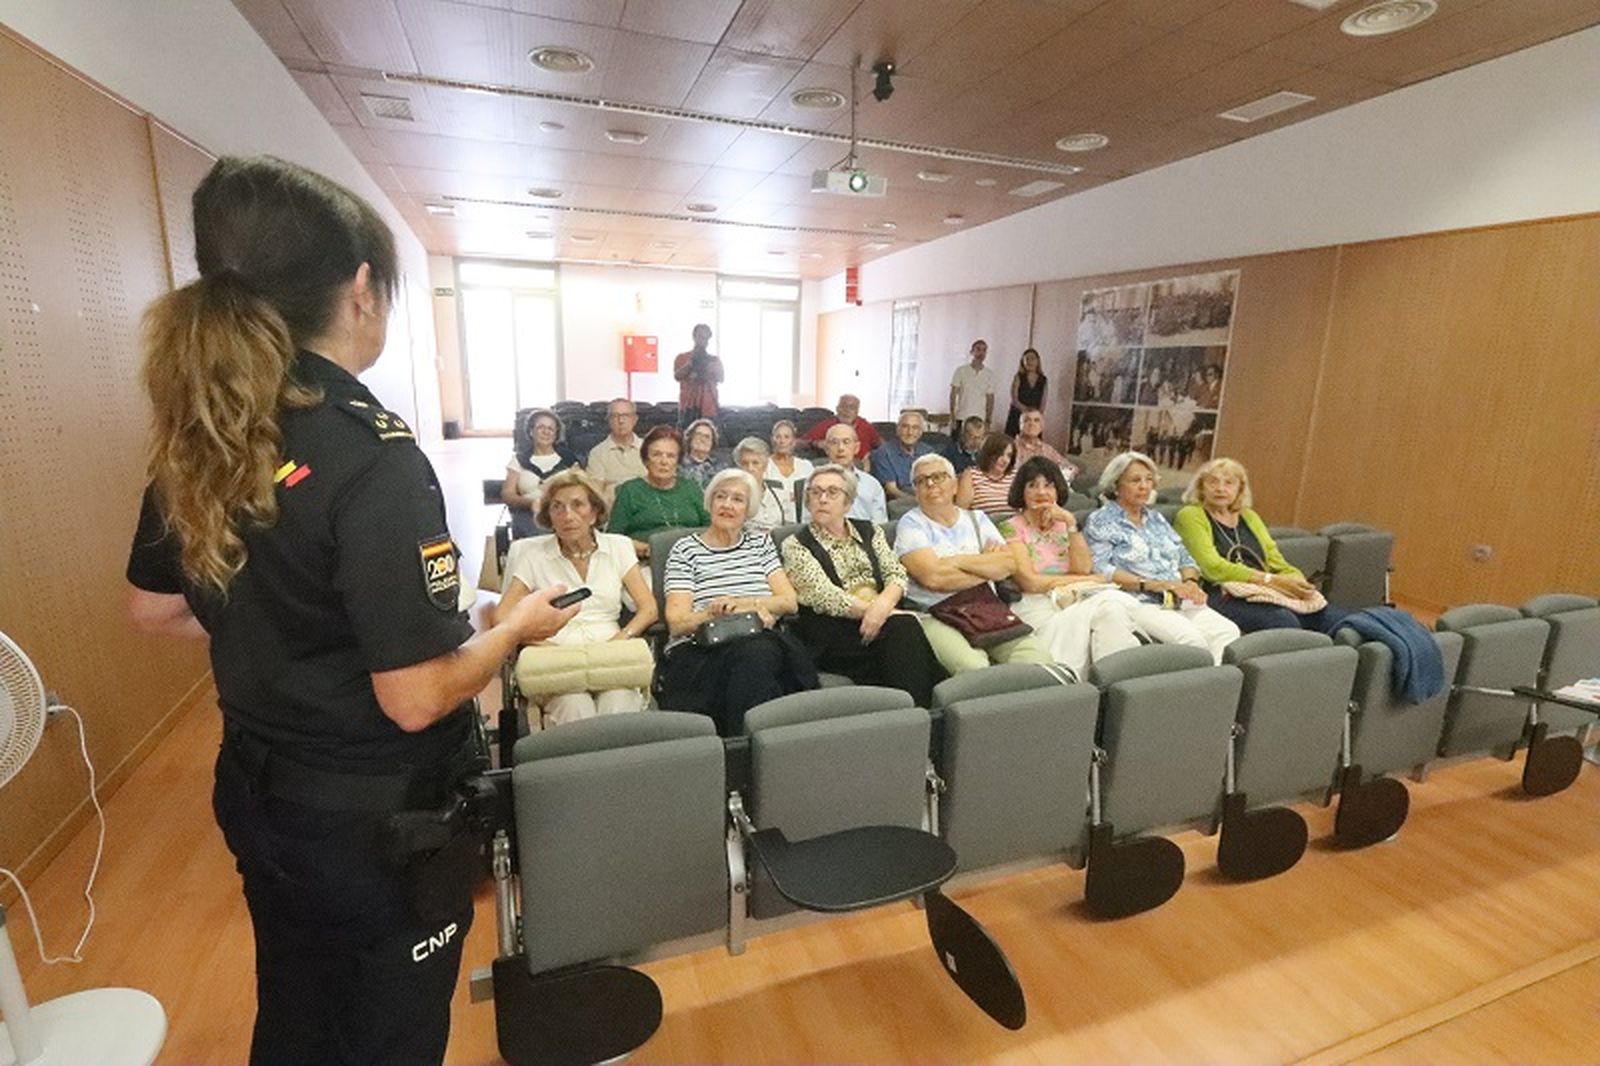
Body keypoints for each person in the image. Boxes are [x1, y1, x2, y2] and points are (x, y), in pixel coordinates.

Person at [123, 156, 581, 1066]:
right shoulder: (369, 456)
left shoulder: (212, 427)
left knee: (297, 1009)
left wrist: (281, 632)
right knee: (388, 1034)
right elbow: (414, 698)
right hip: (375, 827)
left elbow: (156, 609)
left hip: (260, 791)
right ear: (362, 289)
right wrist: (509, 632)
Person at [659, 468, 816, 734]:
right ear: (710, 504)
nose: (728, 505)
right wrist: (717, 614)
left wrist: (745, 607)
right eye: (721, 497)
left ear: (749, 510)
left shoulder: (760, 544)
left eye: (737, 499)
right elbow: (676, 622)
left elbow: (789, 602)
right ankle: (761, 743)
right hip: (703, 648)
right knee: (759, 660)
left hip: (761, 641)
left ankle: (742, 746)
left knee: (759, 653)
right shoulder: (686, 550)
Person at [495, 469, 657, 724]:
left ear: (594, 513)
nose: (567, 515)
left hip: (610, 651)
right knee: (575, 708)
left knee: (619, 704)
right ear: (549, 515)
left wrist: (622, 638)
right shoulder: (533, 555)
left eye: (577, 505)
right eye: (557, 507)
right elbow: (501, 616)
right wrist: (537, 642)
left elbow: (649, 609)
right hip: (557, 655)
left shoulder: (619, 547)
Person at [781, 464, 944, 705]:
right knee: (905, 629)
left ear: (848, 503)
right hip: (832, 629)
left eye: (832, 492)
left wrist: (884, 606)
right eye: (815, 492)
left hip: (884, 620)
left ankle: (913, 713)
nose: (822, 499)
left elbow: (896, 573)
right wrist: (882, 612)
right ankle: (923, 713)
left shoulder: (870, 530)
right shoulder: (796, 544)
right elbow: (826, 596)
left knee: (903, 633)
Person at [895, 454, 1051, 675]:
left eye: (938, 477)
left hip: (984, 606)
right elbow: (933, 578)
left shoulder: (977, 519)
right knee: (974, 669)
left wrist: (955, 561)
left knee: (1039, 663)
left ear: (955, 485)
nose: (930, 484)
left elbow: (1008, 564)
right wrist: (986, 567)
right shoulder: (910, 524)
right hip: (935, 612)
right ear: (916, 491)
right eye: (921, 480)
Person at [1082, 451, 1240, 663]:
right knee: (1193, 643)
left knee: (1227, 632)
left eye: (1149, 480)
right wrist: (1157, 585)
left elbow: (1184, 557)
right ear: (1116, 485)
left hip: (1179, 598)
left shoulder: (1156, 518)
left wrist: (1191, 582)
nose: (1144, 486)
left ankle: (1212, 690)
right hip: (1140, 601)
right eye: (1135, 480)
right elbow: (1101, 570)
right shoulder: (1101, 520)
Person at [998, 457, 1142, 677]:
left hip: (1073, 597)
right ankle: (1106, 682)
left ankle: (1096, 681)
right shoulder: (1010, 528)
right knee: (1109, 606)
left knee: (1110, 611)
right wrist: (1091, 581)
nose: (1041, 492)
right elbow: (1031, 582)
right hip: (1034, 604)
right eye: (1032, 485)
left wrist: (1071, 524)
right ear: (1021, 491)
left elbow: (1083, 568)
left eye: (1048, 485)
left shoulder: (1063, 525)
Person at [1172, 457, 1350, 635]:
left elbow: (1276, 560)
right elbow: (1212, 567)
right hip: (1220, 592)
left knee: (1341, 621)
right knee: (1284, 622)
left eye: (1229, 483)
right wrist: (1270, 580)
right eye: (1213, 482)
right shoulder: (1190, 515)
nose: (1220, 488)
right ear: (1201, 487)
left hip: (1264, 591)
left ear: (1239, 489)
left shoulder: (1249, 516)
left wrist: (1296, 581)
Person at [608, 425, 710, 559]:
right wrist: (644, 549)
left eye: (671, 456)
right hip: (647, 561)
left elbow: (711, 529)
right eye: (656, 454)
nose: (664, 461)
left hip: (692, 559)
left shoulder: (691, 488)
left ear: (678, 461)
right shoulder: (630, 491)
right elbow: (614, 539)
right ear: (646, 460)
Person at [501, 408, 579, 538]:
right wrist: (530, 503)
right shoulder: (519, 460)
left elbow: (582, 489)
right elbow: (507, 494)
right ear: (531, 431)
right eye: (540, 427)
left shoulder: (568, 459)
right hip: (529, 515)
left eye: (550, 429)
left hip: (564, 513)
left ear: (556, 434)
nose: (546, 432)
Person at [806, 422, 887, 523]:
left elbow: (880, 525)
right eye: (834, 442)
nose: (840, 448)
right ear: (826, 449)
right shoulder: (813, 481)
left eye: (846, 442)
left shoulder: (872, 484)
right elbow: (806, 522)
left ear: (856, 448)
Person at [586, 397, 646, 502]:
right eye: (615, 416)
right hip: (613, 513)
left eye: (626, 415)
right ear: (608, 420)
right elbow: (595, 493)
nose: (621, 421)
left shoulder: (649, 448)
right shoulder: (597, 453)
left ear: (635, 419)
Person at [869, 408, 933, 500]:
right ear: (898, 429)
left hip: (926, 496)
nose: (910, 432)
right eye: (905, 427)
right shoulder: (884, 452)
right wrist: (916, 502)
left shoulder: (928, 452)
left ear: (920, 432)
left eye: (915, 428)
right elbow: (892, 490)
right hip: (901, 500)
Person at [734, 436, 794, 533]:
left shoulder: (780, 494)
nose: (750, 468)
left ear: (765, 466)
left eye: (755, 463)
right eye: (745, 463)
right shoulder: (733, 498)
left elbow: (791, 527)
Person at [800, 393, 881, 463]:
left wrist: (870, 456)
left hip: (860, 465)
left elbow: (882, 446)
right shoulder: (827, 425)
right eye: (844, 406)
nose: (847, 411)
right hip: (834, 464)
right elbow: (800, 442)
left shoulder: (865, 426)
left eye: (852, 407)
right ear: (837, 409)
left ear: (857, 411)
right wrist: (816, 443)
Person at [673, 322, 723, 428]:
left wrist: (710, 368)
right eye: (700, 337)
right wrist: (690, 364)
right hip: (688, 407)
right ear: (694, 337)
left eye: (706, 338)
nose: (703, 341)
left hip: (709, 407)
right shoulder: (682, 357)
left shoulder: (714, 360)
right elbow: (677, 376)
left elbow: (721, 378)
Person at [956, 432, 1017, 517]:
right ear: (989, 453)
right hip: (982, 527)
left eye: (1009, 456)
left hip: (1014, 528)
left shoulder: (1015, 475)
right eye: (1000, 454)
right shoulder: (972, 475)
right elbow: (961, 513)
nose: (1005, 460)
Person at [766, 418, 813, 518]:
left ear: (794, 441)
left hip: (802, 520)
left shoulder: (806, 466)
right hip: (772, 520)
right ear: (772, 440)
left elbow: (813, 494)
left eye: (786, 437)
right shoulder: (764, 465)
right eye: (778, 437)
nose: (782, 441)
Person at [949, 339, 997, 426]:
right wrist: (952, 415)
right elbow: (953, 395)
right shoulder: (961, 371)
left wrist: (988, 419)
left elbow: (990, 399)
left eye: (984, 350)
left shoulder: (990, 374)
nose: (981, 353)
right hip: (961, 416)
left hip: (980, 418)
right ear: (972, 352)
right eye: (978, 349)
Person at [1012, 407, 1071, 475]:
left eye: (1036, 420)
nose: (1032, 424)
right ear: (1020, 425)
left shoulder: (1048, 450)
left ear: (1041, 427)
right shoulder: (1010, 447)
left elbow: (1070, 467)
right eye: (1027, 420)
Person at [1004, 348, 1048, 436]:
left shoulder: (1043, 380)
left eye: (1033, 358)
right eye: (1027, 359)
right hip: (1017, 415)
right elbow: (1014, 399)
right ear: (1022, 362)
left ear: (1038, 361)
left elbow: (1043, 401)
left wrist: (1036, 415)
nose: (1030, 361)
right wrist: (1027, 411)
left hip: (1034, 417)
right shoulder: (1018, 377)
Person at [679, 417, 725, 488]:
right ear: (690, 438)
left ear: (712, 442)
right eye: (698, 435)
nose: (702, 439)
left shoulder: (721, 469)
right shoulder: (678, 465)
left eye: (707, 437)